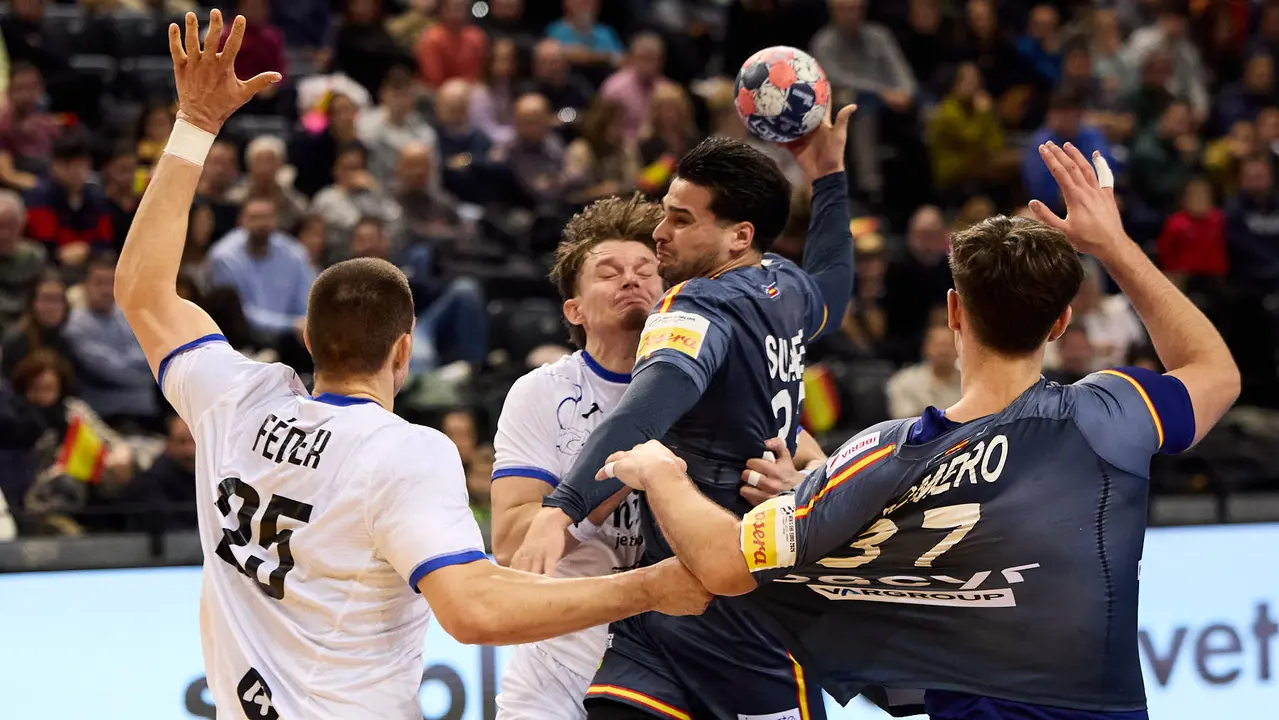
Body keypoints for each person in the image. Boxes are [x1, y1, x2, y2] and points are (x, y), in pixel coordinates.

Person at [112, 13, 708, 719]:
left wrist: (194, 123)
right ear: (404, 347)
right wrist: (648, 586)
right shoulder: (406, 452)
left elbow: (143, 292)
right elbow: (473, 611)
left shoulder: (235, 399)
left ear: (309, 336)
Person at [598, 142, 1240, 720]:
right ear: (1061, 323)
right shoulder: (1112, 413)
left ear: (954, 311)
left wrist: (662, 471)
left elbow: (720, 564)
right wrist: (1116, 247)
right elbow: (1214, 371)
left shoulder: (883, 458)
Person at [513, 104, 857, 719]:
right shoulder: (784, 288)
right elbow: (833, 277)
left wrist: (560, 510)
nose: (659, 233)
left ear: (739, 236)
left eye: (680, 219)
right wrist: (829, 176)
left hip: (739, 609)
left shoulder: (698, 306)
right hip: (665, 610)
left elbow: (639, 420)